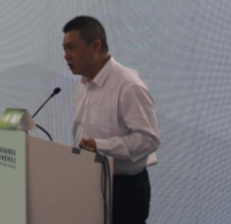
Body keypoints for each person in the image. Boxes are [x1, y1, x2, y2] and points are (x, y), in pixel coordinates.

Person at [62, 16, 160, 224]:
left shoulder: (128, 84)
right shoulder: (83, 84)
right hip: (89, 181)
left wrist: (100, 146)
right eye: (64, 49)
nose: (66, 56)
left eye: (71, 48)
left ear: (95, 46)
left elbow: (148, 139)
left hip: (123, 189)